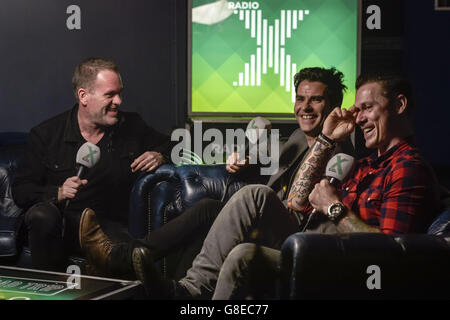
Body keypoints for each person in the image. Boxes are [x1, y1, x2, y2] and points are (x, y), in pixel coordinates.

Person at [132, 72, 441, 299]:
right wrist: (326, 139)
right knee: (249, 224)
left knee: (247, 233)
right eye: (357, 110)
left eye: (368, 108)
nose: (358, 119)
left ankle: (183, 290)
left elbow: (394, 255)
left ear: (399, 105)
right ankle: (187, 292)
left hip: (338, 261)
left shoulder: (407, 167)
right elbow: (294, 203)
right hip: (308, 240)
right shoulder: (364, 165)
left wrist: (335, 208)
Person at [79, 67, 357, 280]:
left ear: (333, 106)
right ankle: (165, 284)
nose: (305, 107)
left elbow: (299, 201)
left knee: (209, 212)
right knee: (207, 212)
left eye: (316, 100)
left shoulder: (339, 152)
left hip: (295, 234)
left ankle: (121, 259)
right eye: (300, 98)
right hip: (269, 218)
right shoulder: (297, 137)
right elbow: (275, 165)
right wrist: (247, 161)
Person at [12, 58, 171, 273]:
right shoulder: (46, 135)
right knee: (41, 216)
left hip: (110, 229)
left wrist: (159, 155)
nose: (119, 101)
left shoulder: (132, 126)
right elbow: (21, 190)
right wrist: (58, 192)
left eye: (120, 93)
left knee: (122, 249)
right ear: (83, 96)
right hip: (61, 227)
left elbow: (178, 144)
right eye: (110, 95)